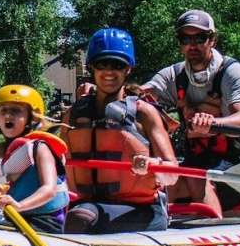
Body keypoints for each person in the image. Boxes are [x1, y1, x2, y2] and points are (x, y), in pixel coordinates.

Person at [141, 10, 240, 211]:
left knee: (196, 178)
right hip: (203, 159)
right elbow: (137, 97)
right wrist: (101, 92)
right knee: (162, 182)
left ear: (212, 40)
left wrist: (212, 124)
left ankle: (210, 223)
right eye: (185, 38)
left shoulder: (232, 72)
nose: (192, 45)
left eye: (200, 38)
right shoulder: (173, 76)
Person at [62, 28, 180, 233]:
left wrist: (154, 165)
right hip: (88, 207)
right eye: (102, 64)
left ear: (128, 69)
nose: (109, 71)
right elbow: (57, 169)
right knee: (72, 215)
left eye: (117, 65)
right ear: (92, 67)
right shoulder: (72, 115)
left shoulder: (144, 113)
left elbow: (172, 176)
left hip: (142, 211)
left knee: (80, 217)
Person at [0, 85, 71, 233]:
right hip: (16, 221)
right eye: (3, 110)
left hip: (47, 223)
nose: (8, 116)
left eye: (16, 111)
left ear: (32, 118)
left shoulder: (40, 148)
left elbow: (49, 190)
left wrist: (19, 206)